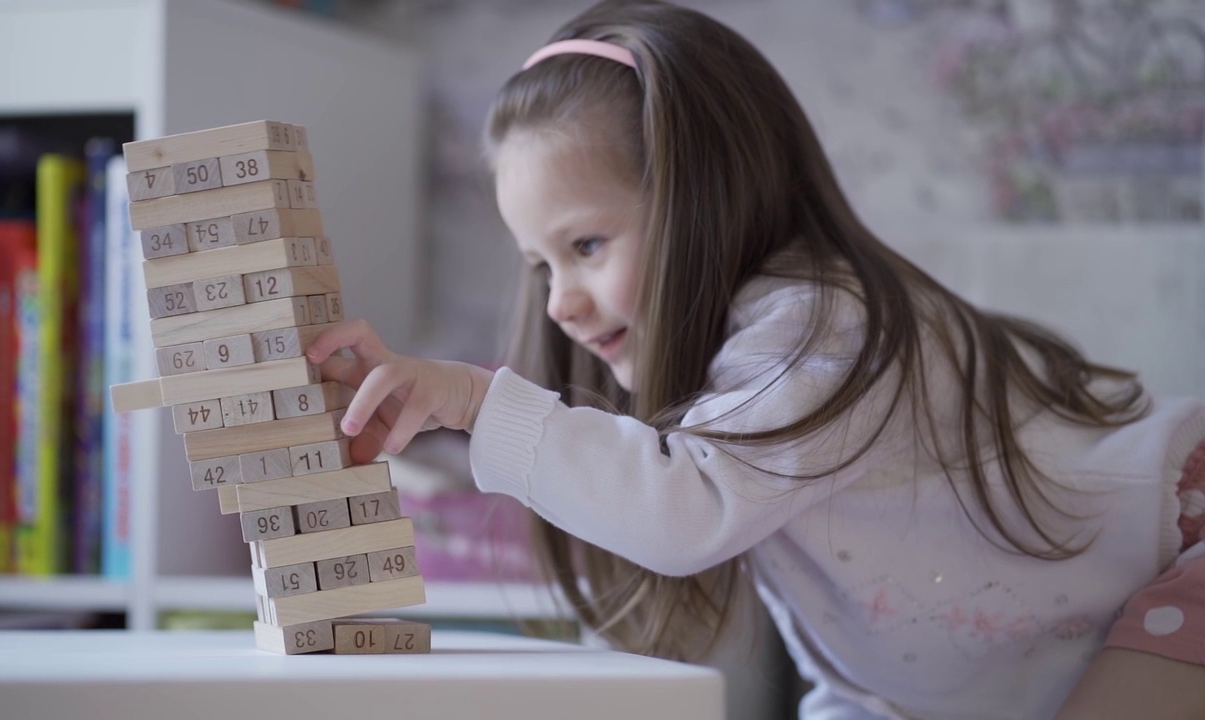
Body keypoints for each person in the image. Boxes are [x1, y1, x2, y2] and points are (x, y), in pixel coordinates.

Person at [306, 1, 1205, 717]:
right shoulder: (738, 390)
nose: (559, 304)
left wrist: (469, 398)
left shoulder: (822, 324)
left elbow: (682, 509)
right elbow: (864, 670)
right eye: (540, 264)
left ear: (708, 200)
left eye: (585, 246)